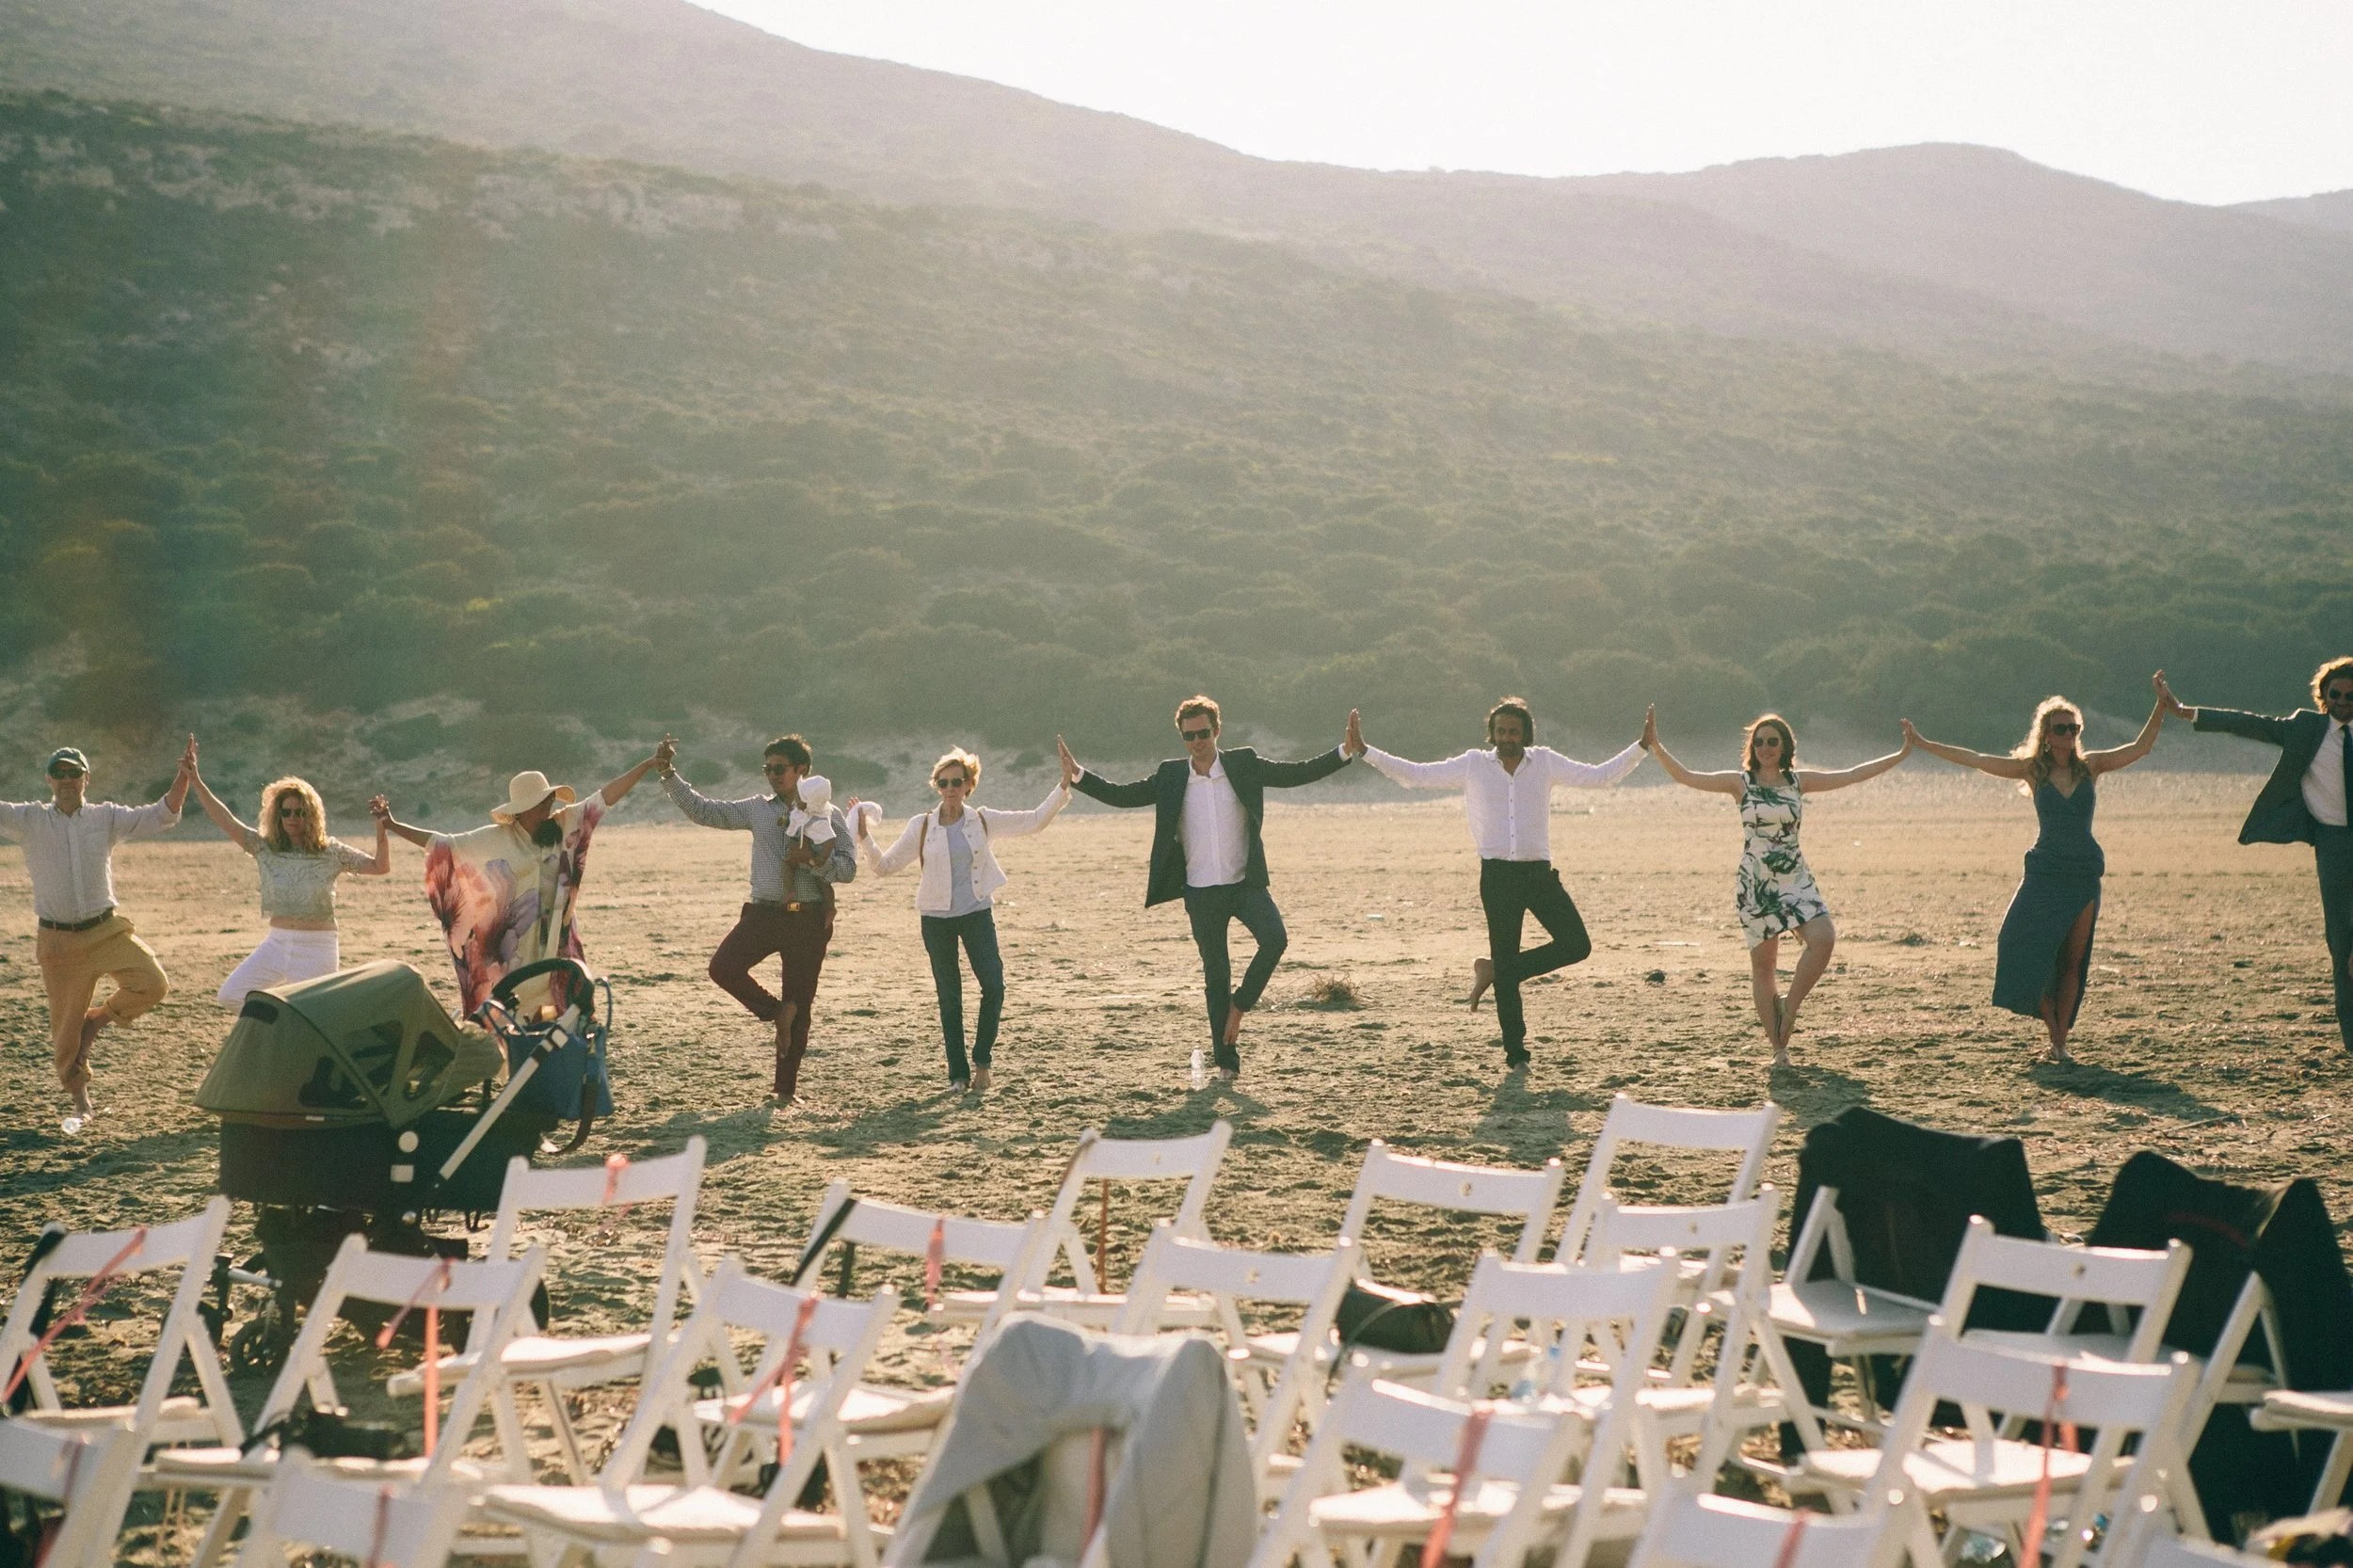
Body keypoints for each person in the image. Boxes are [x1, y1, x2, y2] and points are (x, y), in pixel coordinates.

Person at [1058, 696, 1357, 1081]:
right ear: (1182, 737)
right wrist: (1079, 775)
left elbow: (1295, 773)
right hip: (1201, 892)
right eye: (1189, 735)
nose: (1197, 741)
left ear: (1217, 730)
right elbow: (1124, 795)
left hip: (1244, 883)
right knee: (1216, 975)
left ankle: (1239, 1006)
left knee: (1276, 939)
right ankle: (1227, 1063)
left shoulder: (1243, 764)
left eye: (1203, 733)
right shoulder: (1171, 776)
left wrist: (1343, 752)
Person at [1358, 698, 1642, 1069]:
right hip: (1497, 878)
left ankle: (1496, 969)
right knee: (1508, 965)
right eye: (1501, 731)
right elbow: (1417, 775)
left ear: (1525, 734)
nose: (1507, 738)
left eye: (1514, 731)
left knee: (1576, 944)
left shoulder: (1544, 762)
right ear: (1492, 733)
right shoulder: (1475, 764)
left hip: (1538, 874)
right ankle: (1516, 1052)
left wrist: (1642, 747)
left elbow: (1600, 776)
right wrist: (1366, 752)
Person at [1903, 673, 2169, 1064]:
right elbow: (1976, 759)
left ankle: (2059, 1042)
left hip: (2082, 873)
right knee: (2014, 943)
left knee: (2072, 960)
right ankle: (2053, 1027)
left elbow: (2141, 748)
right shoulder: (2033, 770)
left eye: (2073, 728)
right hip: (2044, 872)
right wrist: (1924, 744)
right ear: (2045, 734)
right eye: (2060, 729)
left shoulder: (2090, 767)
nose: (2068, 735)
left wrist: (2161, 704)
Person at [1641, 708, 1911, 1064]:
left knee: (1823, 938)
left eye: (1773, 741)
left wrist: (1902, 754)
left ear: (1785, 746)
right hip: (1756, 882)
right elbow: (1686, 776)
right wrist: (1656, 745)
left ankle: (1789, 1006)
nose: (1766, 747)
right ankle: (1779, 1048)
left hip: (1796, 877)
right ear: (1752, 747)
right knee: (1764, 967)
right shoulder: (1741, 783)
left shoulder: (1799, 782)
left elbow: (1854, 774)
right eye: (1760, 741)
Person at [854, 746, 1076, 1093]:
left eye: (957, 781)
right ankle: (957, 1075)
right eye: (943, 782)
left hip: (976, 914)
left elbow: (1034, 820)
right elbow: (885, 867)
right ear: (937, 786)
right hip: (936, 920)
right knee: (950, 998)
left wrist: (1064, 784)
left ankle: (982, 1061)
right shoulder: (922, 825)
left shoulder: (982, 819)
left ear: (969, 784)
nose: (950, 788)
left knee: (995, 987)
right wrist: (864, 836)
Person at [2159, 660, 2353, 1053]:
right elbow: (2247, 723)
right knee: (2341, 943)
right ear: (2324, 697)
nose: (2343, 702)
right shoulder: (2306, 728)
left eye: (2350, 696)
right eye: (2335, 695)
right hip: (2333, 844)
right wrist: (2185, 712)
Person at [376, 753, 662, 1018]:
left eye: (549, 801)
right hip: (514, 951)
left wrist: (646, 765)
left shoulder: (564, 825)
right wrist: (392, 824)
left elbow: (604, 798)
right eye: (541, 804)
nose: (548, 807)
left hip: (557, 943)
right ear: (522, 810)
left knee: (569, 1012)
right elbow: (441, 843)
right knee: (513, 1017)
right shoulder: (494, 839)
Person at [653, 734, 856, 1105]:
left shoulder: (830, 815)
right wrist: (669, 774)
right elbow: (705, 811)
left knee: (802, 1005)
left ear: (802, 771)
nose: (772, 776)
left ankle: (784, 1091)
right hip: (763, 912)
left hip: (808, 920)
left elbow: (848, 869)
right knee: (722, 968)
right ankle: (776, 1011)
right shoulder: (757, 809)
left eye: (779, 769)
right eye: (767, 769)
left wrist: (814, 861)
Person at [0, 739, 193, 1127]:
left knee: (153, 983)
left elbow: (162, 814)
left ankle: (99, 1019)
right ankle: (81, 1103)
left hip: (106, 931)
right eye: (60, 773)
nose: (67, 779)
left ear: (86, 778)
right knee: (64, 1034)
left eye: (74, 772)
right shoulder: (28, 820)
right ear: (49, 780)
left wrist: (183, 776)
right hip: (58, 943)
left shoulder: (106, 817)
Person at [183, 746, 392, 1008]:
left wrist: (381, 827)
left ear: (311, 816)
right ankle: (280, 1022)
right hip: (277, 943)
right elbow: (225, 820)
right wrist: (196, 782)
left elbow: (380, 866)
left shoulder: (330, 852)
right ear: (277, 815)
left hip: (317, 948)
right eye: (286, 812)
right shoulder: (265, 848)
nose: (293, 818)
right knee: (230, 995)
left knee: (313, 1016)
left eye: (300, 812)